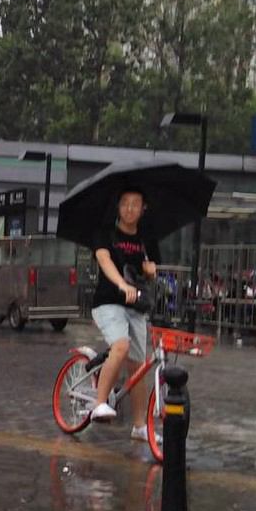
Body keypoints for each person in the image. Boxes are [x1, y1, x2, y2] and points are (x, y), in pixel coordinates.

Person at [89, 187, 161, 440]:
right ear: (118, 207)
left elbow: (151, 271)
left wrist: (152, 270)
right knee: (121, 346)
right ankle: (99, 403)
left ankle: (140, 426)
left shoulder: (146, 239)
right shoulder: (105, 233)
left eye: (136, 204)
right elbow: (104, 260)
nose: (130, 209)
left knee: (138, 368)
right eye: (125, 203)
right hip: (108, 303)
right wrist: (121, 284)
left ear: (143, 208)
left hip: (136, 307)